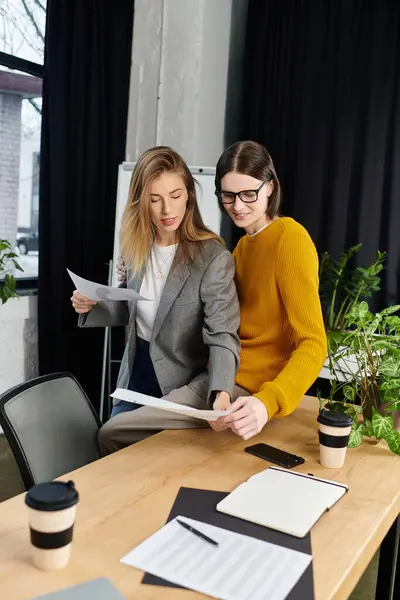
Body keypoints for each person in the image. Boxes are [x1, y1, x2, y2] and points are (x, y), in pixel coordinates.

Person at [108, 140, 327, 454]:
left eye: (249, 193)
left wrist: (267, 402)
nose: (238, 206)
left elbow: (313, 343)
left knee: (114, 431)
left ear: (270, 188)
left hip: (244, 385)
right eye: (228, 195)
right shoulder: (242, 247)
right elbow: (215, 315)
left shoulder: (289, 239)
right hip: (214, 374)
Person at [71, 146, 240, 446]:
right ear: (141, 202)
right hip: (135, 376)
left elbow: (223, 335)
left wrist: (221, 395)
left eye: (175, 196)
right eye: (155, 199)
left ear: (189, 193)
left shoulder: (213, 258)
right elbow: (132, 309)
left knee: (137, 453)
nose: (167, 210)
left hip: (180, 385)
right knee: (112, 450)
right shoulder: (136, 246)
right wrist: (93, 304)